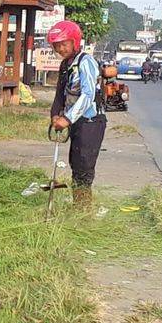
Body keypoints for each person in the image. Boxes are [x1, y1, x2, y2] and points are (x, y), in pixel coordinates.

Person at [48, 20, 107, 207]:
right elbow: (60, 94)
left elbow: (88, 95)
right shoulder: (66, 65)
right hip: (76, 123)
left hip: (91, 122)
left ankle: (83, 211)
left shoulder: (86, 61)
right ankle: (78, 206)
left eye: (64, 44)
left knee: (84, 167)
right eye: (57, 46)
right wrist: (55, 115)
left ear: (75, 41)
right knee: (75, 164)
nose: (60, 49)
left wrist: (67, 118)